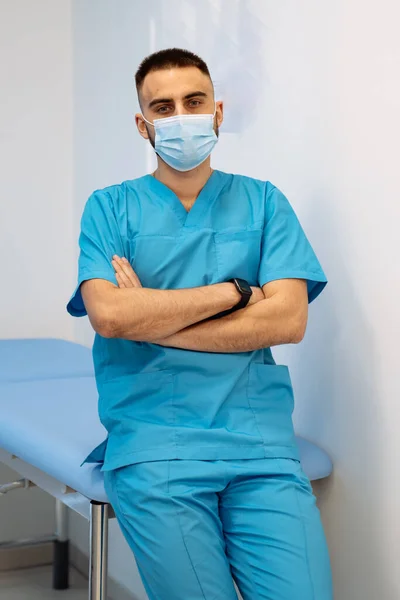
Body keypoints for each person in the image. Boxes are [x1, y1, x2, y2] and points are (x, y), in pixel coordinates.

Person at [67, 47, 333, 600]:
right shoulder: (110, 208)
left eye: (194, 101)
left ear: (217, 112)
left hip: (261, 447)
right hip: (156, 447)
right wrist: (233, 293)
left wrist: (152, 317)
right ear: (143, 126)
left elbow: (287, 319)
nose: (180, 116)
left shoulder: (263, 203)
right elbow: (110, 314)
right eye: (162, 107)